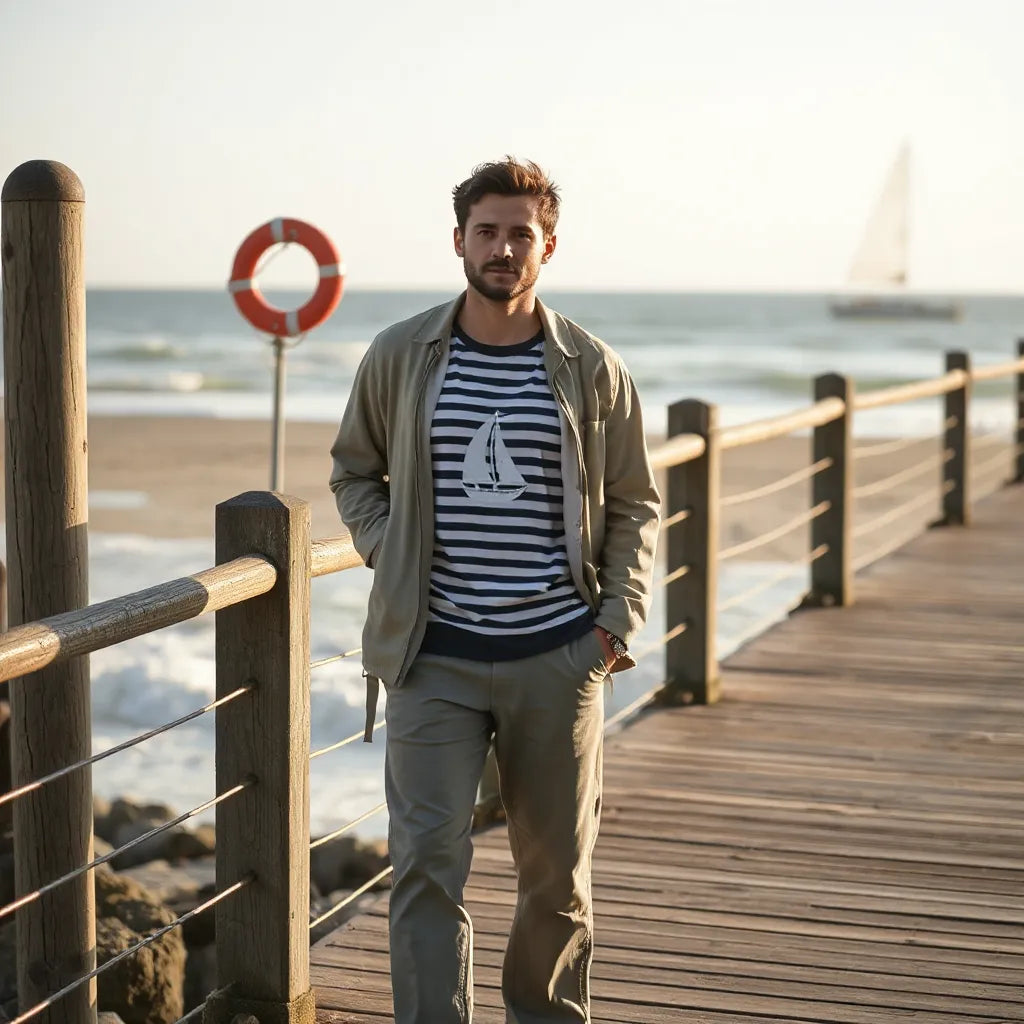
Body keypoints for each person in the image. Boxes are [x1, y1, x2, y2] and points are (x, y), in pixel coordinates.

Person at [329, 157, 660, 1023]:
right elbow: (354, 473)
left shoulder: (591, 367)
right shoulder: (401, 354)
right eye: (488, 231)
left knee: (555, 878)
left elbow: (634, 502)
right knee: (424, 865)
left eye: (522, 234)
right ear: (458, 242)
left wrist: (613, 625)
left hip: (556, 657)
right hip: (430, 655)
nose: (504, 248)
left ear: (548, 247)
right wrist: (386, 547)